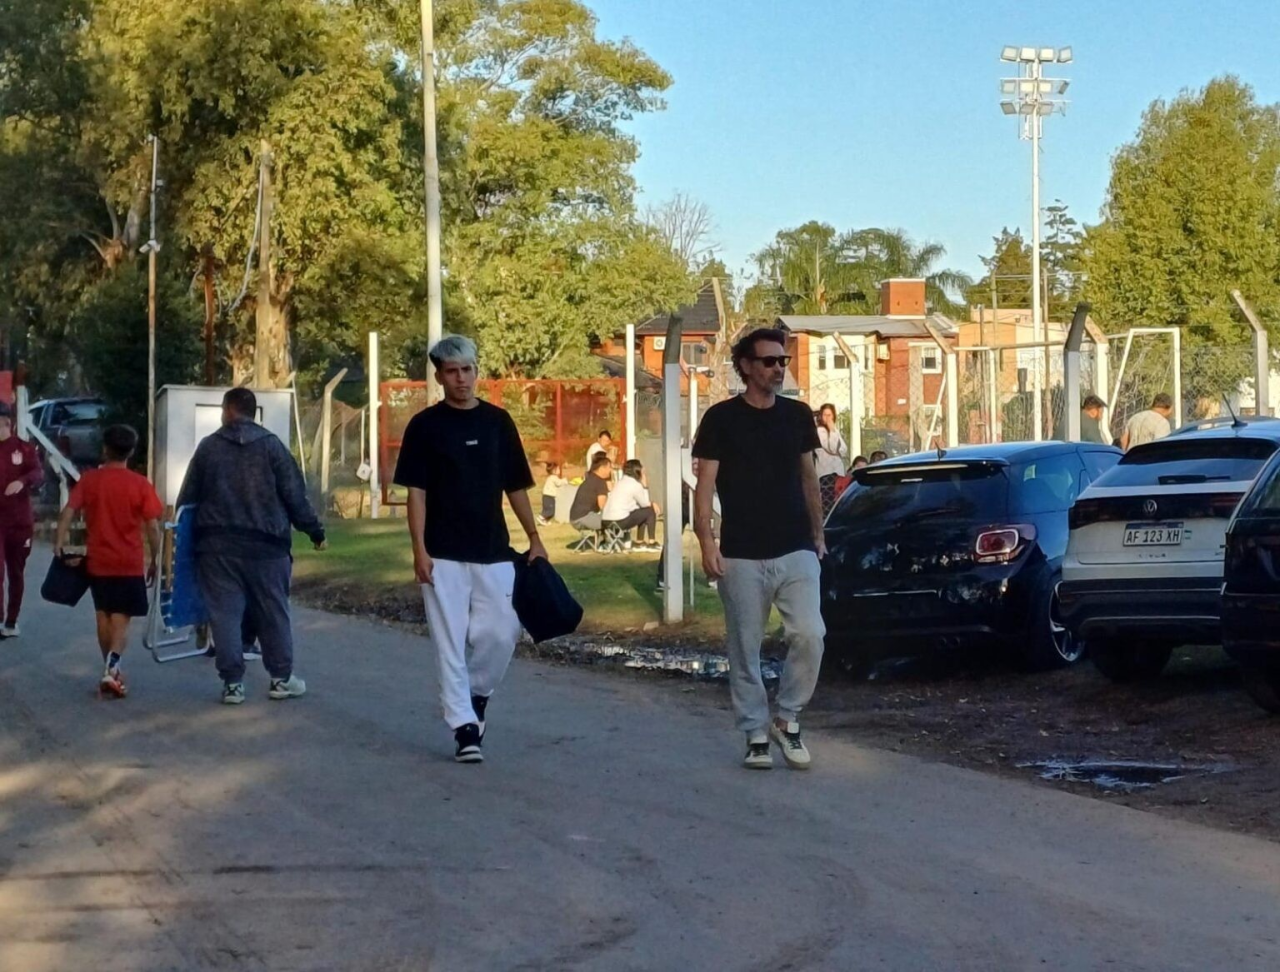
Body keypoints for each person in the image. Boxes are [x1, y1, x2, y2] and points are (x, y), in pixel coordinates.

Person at [392, 335, 547, 764]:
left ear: (477, 371)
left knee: (502, 631)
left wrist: (534, 537)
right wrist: (419, 550)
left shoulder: (498, 422)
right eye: (452, 372)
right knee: (449, 642)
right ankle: (464, 728)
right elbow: (416, 493)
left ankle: (476, 695)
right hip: (442, 553)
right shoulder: (424, 426)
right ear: (439, 376)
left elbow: (516, 486)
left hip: (494, 550)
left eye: (467, 370)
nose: (461, 379)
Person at [693, 327, 826, 771]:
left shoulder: (797, 415)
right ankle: (754, 732)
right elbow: (705, 486)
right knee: (744, 647)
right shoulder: (721, 418)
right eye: (769, 361)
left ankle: (787, 718)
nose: (778, 368)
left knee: (810, 634)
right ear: (746, 367)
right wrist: (707, 542)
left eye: (782, 361)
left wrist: (818, 533)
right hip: (741, 551)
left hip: (795, 546)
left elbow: (809, 477)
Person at [177, 387, 325, 705]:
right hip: (267, 546)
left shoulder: (208, 447)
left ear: (228, 409)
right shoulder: (272, 446)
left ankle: (232, 684)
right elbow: (294, 495)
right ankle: (281, 678)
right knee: (273, 611)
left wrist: (184, 546)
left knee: (225, 615)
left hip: (217, 547)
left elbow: (187, 500)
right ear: (252, 412)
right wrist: (314, 531)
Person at [55, 425, 162, 698]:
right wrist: (156, 558)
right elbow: (152, 526)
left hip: (98, 561)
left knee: (103, 615)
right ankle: (112, 668)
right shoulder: (140, 484)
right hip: (128, 562)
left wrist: (59, 543)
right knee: (121, 619)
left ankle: (110, 670)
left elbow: (68, 511)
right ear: (131, 451)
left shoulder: (90, 481)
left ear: (105, 449)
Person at [0, 402, 41, 638]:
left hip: (19, 521)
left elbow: (37, 473)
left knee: (16, 572)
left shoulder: (24, 448)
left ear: (7, 422)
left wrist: (22, 481)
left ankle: (11, 620)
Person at [602, 459, 661, 550]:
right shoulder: (635, 484)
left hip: (606, 521)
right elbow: (645, 504)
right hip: (619, 521)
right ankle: (651, 542)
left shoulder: (620, 482)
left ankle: (640, 542)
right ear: (637, 470)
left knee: (642, 513)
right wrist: (645, 486)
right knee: (650, 511)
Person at [813, 403, 849, 516]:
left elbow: (844, 450)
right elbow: (832, 448)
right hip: (826, 473)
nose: (828, 418)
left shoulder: (834, 430)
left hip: (837, 472)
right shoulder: (820, 431)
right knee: (828, 504)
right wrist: (832, 431)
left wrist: (833, 431)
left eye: (830, 415)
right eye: (825, 415)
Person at [569, 454, 612, 533]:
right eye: (609, 467)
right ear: (602, 468)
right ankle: (616, 540)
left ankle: (604, 539)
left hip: (574, 518)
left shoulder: (591, 478)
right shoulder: (600, 482)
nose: (610, 470)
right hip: (584, 518)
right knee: (615, 521)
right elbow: (603, 506)